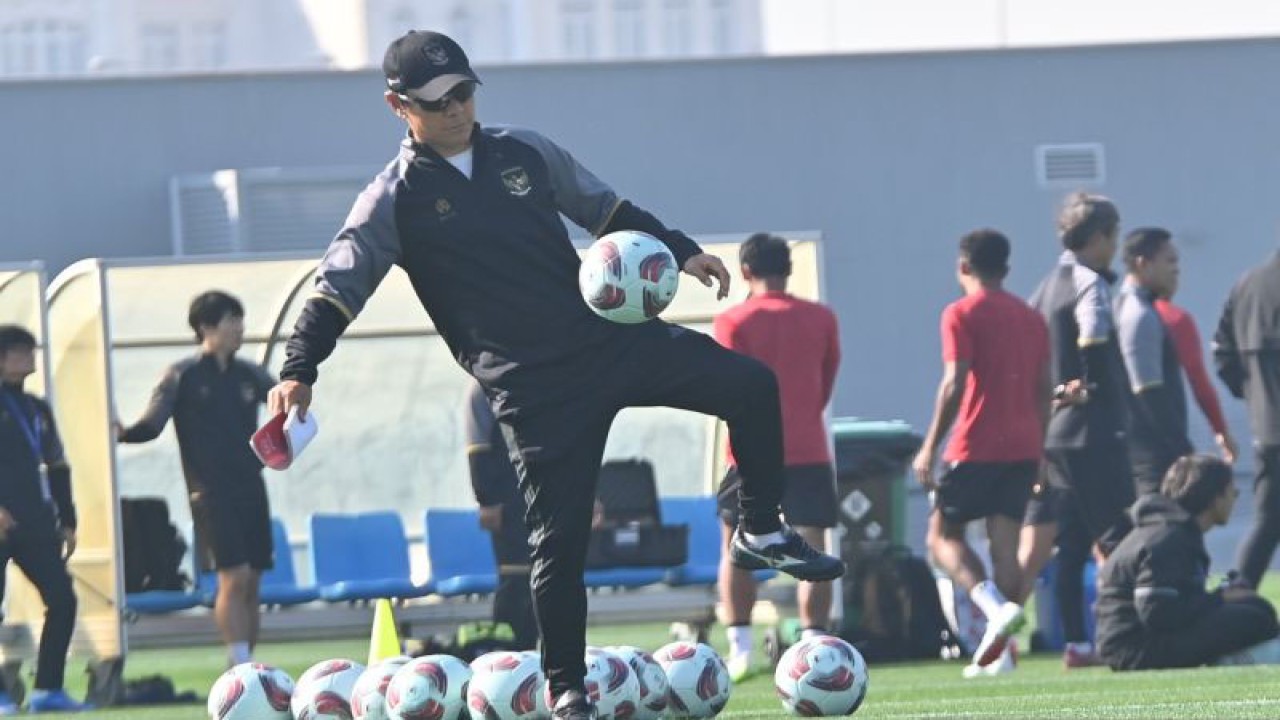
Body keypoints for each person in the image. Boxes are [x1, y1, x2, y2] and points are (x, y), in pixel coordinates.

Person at [265, 30, 843, 720]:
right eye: (438, 100)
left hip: (609, 339)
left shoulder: (526, 152)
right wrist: (299, 368)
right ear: (398, 106)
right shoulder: (392, 199)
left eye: (465, 92)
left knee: (751, 385)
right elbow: (337, 287)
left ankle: (760, 527)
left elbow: (606, 210)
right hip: (531, 384)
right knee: (559, 546)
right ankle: (567, 689)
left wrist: (682, 251)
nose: (456, 109)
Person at [912, 229, 1050, 675]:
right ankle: (1003, 657)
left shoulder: (960, 313)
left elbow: (954, 381)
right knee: (1005, 548)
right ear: (1006, 268)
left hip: (974, 444)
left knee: (941, 537)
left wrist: (930, 446)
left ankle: (993, 609)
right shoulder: (1031, 317)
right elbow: (1045, 387)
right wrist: (1042, 450)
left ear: (963, 267)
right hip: (1024, 445)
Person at [115, 291, 276, 668]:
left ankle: (251, 667)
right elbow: (152, 423)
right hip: (210, 493)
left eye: (240, 320)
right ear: (205, 327)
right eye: (230, 320)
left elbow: (285, 407)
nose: (239, 328)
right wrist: (122, 432)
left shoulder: (249, 374)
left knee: (253, 581)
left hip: (251, 487)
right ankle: (236, 663)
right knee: (233, 577)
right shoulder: (182, 374)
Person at [712, 233, 841, 682]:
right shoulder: (821, 318)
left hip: (748, 452)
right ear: (788, 270)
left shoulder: (733, 321)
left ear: (746, 271)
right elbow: (825, 384)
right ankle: (814, 645)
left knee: (735, 545)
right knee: (814, 546)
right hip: (807, 447)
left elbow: (728, 389)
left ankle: (741, 650)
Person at [1026, 191, 1135, 668]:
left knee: (1069, 543)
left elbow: (1034, 358)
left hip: (1055, 435)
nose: (1115, 247)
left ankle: (1078, 644)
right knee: (1120, 535)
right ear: (1097, 237)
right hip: (1092, 429)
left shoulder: (1044, 286)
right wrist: (1090, 387)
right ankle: (1126, 633)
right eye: (1113, 236)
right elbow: (1093, 339)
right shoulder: (1091, 283)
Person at [1095, 454, 1279, 670]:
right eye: (1232, 492)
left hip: (1140, 640)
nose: (1235, 498)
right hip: (1136, 648)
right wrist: (1218, 599)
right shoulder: (1168, 537)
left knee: (1255, 607)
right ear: (1215, 497)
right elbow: (1156, 610)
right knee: (1254, 618)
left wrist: (1219, 597)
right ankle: (1232, 661)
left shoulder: (1172, 529)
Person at [0, 326, 90, 714]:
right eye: (20, 351)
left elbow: (57, 465)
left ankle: (48, 689)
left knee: (63, 599)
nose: (30, 357)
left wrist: (68, 520)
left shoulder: (37, 408)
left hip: (35, 522)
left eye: (31, 350)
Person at [1215, 249, 1280, 589]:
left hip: (1267, 431)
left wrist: (1254, 396)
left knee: (1268, 521)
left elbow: (1222, 354)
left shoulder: (1247, 286)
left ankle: (1238, 591)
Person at [1114, 228, 1194, 495]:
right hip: (1154, 457)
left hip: (1144, 451)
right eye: (1169, 261)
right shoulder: (1138, 314)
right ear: (1143, 264)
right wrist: (1182, 449)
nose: (1177, 270)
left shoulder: (1130, 307)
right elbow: (1148, 391)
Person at [462, 379, 539, 650]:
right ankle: (507, 654)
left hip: (541, 493)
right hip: (507, 502)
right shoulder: (482, 386)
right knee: (515, 577)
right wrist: (486, 499)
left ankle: (536, 650)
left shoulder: (544, 373)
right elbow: (477, 445)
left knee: (543, 577)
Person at [1155, 299, 1237, 468]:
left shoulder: (1116, 312)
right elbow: (1197, 377)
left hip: (1118, 434)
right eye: (1174, 272)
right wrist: (1220, 430)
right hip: (1165, 436)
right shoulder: (1173, 318)